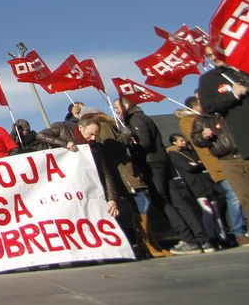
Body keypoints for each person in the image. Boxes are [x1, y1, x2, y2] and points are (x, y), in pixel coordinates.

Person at [114, 97, 207, 255]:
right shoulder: (143, 117)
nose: (116, 111)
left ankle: (189, 239)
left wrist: (129, 141)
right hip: (161, 161)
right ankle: (202, 238)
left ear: (126, 106)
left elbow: (144, 142)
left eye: (117, 108)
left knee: (163, 201)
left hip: (150, 163)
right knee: (177, 200)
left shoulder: (135, 120)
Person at [81, 111, 168, 258]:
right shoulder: (104, 126)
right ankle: (146, 244)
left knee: (140, 206)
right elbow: (113, 147)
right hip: (123, 175)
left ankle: (146, 243)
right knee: (141, 206)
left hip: (124, 174)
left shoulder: (105, 126)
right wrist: (126, 135)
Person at [196, 47, 249, 238]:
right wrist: (232, 96)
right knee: (247, 198)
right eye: (208, 56)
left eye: (215, 53)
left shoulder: (245, 70)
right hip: (232, 154)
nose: (212, 58)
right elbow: (209, 107)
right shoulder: (209, 79)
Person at [178, 96, 249, 246]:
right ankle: (239, 232)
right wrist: (203, 132)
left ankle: (242, 229)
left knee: (243, 194)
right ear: (196, 106)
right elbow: (196, 139)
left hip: (237, 158)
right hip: (218, 164)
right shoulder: (193, 121)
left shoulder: (218, 116)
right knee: (234, 196)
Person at [36, 118, 119, 217]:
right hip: (67, 191)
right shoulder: (63, 129)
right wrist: (64, 143)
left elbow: (105, 174)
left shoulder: (95, 148)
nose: (93, 138)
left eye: (96, 135)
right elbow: (40, 135)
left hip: (88, 192)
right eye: (91, 134)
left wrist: (112, 199)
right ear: (81, 128)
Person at [167, 134, 228, 248]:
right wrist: (196, 164)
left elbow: (201, 164)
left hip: (205, 184)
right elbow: (188, 167)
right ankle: (212, 236)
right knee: (207, 212)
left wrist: (197, 164)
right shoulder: (174, 154)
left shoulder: (191, 151)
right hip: (195, 186)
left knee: (215, 212)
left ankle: (222, 236)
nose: (183, 142)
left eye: (183, 139)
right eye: (180, 140)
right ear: (174, 143)